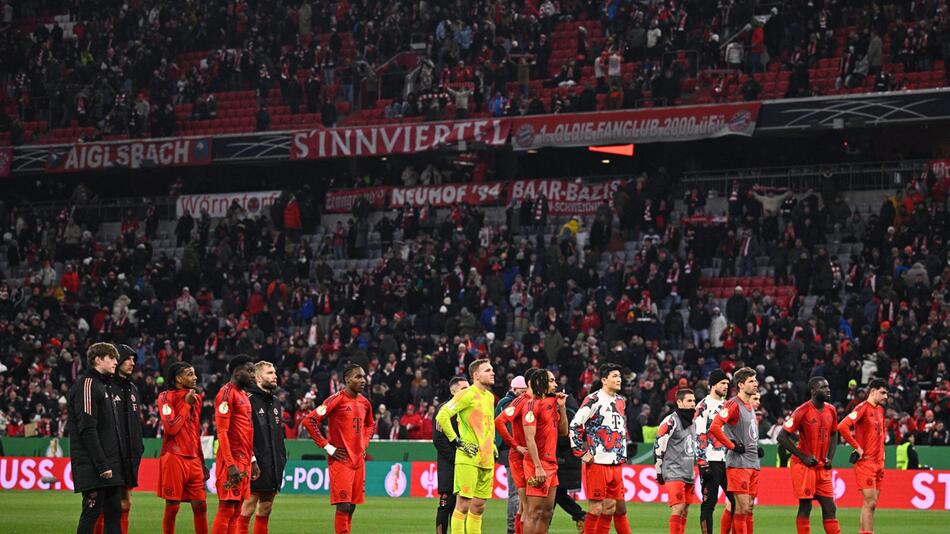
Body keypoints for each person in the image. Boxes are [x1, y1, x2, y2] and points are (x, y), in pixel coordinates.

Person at [303, 363, 375, 534]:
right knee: (343, 505)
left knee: (351, 506)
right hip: (341, 459)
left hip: (358, 460)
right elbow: (309, 421)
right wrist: (328, 447)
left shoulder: (365, 403)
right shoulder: (336, 399)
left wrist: (364, 443)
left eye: (364, 376)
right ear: (347, 380)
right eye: (358, 377)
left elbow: (369, 425)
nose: (363, 380)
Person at [68, 343, 125, 534]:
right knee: (91, 512)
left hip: (110, 465)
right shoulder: (88, 384)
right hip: (95, 466)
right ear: (98, 359)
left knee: (114, 513)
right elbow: (87, 429)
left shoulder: (105, 386)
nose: (116, 362)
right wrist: (102, 465)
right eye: (112, 357)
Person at [435, 358, 497, 534]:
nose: (492, 372)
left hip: (486, 458)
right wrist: (457, 441)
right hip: (468, 458)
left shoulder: (490, 397)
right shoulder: (467, 394)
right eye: (487, 370)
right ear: (476, 375)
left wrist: (492, 444)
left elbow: (488, 424)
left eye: (492, 369)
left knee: (479, 507)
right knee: (463, 504)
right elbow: (443, 416)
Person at [570, 364, 631, 534]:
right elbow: (575, 424)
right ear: (604, 380)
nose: (619, 379)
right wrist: (581, 452)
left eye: (620, 375)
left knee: (610, 508)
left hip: (616, 462)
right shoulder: (593, 399)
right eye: (614, 376)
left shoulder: (620, 401)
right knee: (596, 508)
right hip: (598, 463)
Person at [777, 377, 841, 534]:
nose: (828, 390)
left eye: (828, 386)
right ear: (813, 391)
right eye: (823, 387)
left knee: (830, 507)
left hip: (821, 467)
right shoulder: (802, 411)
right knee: (806, 506)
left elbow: (834, 434)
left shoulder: (831, 410)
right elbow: (781, 437)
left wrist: (829, 458)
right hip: (803, 466)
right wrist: (803, 456)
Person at [709, 367, 764, 534]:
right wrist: (732, 446)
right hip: (739, 465)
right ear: (741, 384)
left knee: (747, 509)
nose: (756, 384)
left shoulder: (750, 406)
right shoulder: (733, 404)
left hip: (752, 464)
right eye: (751, 381)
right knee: (741, 509)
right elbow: (715, 427)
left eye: (755, 380)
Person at [157, 361, 209, 534]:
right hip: (174, 456)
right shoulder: (166, 397)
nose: (195, 377)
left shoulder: (197, 398)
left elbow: (195, 432)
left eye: (195, 373)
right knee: (173, 507)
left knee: (201, 506)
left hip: (193, 459)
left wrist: (201, 462)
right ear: (178, 378)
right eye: (189, 374)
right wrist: (186, 404)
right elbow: (171, 428)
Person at [238, 361, 288, 534]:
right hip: (254, 463)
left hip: (273, 462)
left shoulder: (275, 402)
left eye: (274, 372)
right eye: (269, 373)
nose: (275, 376)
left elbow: (277, 434)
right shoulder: (246, 399)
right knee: (248, 507)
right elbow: (241, 434)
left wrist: (281, 459)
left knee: (266, 507)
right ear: (258, 377)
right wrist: (251, 459)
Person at [212, 355, 259, 534]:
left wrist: (253, 459)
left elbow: (246, 432)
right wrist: (230, 465)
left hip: (245, 460)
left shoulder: (244, 396)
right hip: (231, 461)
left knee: (237, 509)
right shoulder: (226, 394)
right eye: (249, 371)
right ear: (236, 371)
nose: (253, 375)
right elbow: (222, 432)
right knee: (226, 507)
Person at [837, 379, 888, 534]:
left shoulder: (880, 410)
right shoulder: (862, 408)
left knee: (871, 504)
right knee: (870, 502)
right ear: (873, 391)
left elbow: (880, 433)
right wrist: (857, 447)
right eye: (883, 392)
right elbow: (842, 426)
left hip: (879, 463)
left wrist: (883, 453)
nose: (886, 396)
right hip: (866, 463)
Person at [522, 370, 569, 534]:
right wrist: (537, 467)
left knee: (547, 512)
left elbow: (564, 431)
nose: (555, 384)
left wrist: (562, 408)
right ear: (541, 383)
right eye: (551, 381)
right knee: (533, 512)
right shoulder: (531, 405)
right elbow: (529, 439)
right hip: (537, 463)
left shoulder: (552, 403)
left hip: (551, 463)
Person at [694, 369, 733, 534]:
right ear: (713, 384)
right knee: (709, 504)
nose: (725, 386)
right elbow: (699, 434)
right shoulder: (703, 405)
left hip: (729, 460)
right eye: (722, 383)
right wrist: (702, 463)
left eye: (727, 384)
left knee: (737, 502)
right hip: (711, 460)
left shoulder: (729, 405)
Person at [654, 388, 698, 534]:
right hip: (673, 471)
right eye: (689, 401)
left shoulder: (693, 422)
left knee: (685, 510)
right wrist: (659, 471)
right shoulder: (671, 421)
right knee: (678, 508)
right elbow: (659, 446)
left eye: (694, 401)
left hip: (688, 472)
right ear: (679, 402)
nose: (693, 404)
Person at [495, 373, 533, 534]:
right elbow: (506, 427)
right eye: (522, 390)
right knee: (516, 493)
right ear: (514, 388)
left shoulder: (508, 403)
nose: (524, 393)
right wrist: (516, 445)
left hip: (515, 450)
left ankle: (520, 527)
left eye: (526, 390)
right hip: (511, 451)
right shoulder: (508, 404)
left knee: (521, 493)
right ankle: (512, 528)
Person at [112, 344, 144, 534]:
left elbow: (135, 422)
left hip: (130, 456)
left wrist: (138, 447)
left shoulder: (132, 389)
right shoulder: (107, 386)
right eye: (128, 359)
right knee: (107, 505)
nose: (132, 362)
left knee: (126, 503)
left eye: (134, 359)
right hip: (113, 455)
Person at [435, 376, 471, 534]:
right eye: (463, 389)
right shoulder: (444, 410)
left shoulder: (470, 409)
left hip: (468, 465)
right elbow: (439, 440)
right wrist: (456, 457)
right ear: (453, 390)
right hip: (450, 466)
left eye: (468, 389)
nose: (467, 392)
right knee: (446, 506)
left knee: (466, 506)